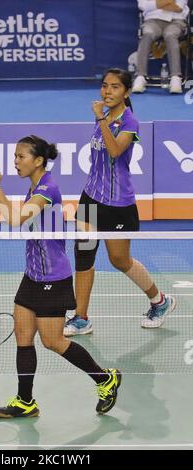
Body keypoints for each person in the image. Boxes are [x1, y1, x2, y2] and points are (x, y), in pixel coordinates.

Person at [0, 135, 121, 418]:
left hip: (53, 277)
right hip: (32, 275)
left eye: (21, 157)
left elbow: (15, 219)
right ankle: (25, 401)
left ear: (38, 161)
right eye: (15, 156)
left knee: (53, 341)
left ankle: (104, 378)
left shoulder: (47, 188)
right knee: (23, 336)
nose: (16, 162)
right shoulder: (35, 186)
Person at [64, 68, 176, 337]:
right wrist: (102, 118)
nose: (107, 91)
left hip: (118, 205)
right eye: (105, 86)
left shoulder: (130, 122)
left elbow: (114, 151)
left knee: (119, 260)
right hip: (90, 198)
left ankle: (160, 301)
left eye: (115, 87)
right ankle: (81, 318)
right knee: (83, 255)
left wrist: (101, 118)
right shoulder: (103, 116)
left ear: (126, 92)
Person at [132, 0, 189, 94]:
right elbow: (143, 5)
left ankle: (176, 78)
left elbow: (179, 7)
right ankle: (140, 77)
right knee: (147, 34)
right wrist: (169, 1)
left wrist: (156, 4)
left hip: (176, 21)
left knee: (170, 35)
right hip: (151, 21)